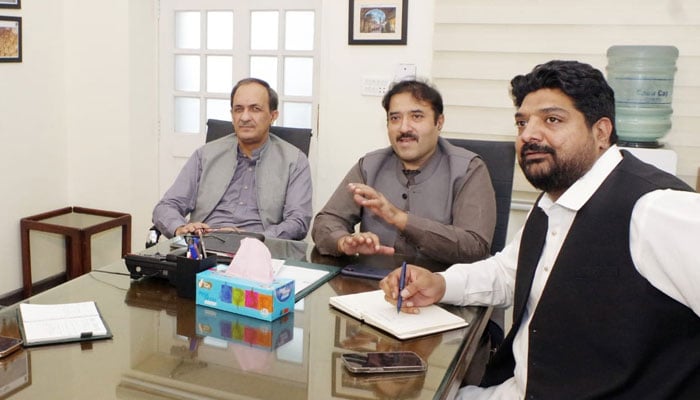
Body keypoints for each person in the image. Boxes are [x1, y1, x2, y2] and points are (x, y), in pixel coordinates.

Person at [379, 60, 700, 399]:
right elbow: (508, 275)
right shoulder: (553, 200)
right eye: (522, 122)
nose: (528, 134)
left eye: (552, 120)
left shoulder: (657, 208)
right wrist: (441, 284)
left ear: (601, 132)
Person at [311, 79, 497, 265]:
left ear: (439, 122)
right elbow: (326, 221)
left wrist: (399, 218)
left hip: (442, 287)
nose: (404, 128)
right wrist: (343, 242)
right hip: (372, 283)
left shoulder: (468, 169)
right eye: (395, 118)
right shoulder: (370, 165)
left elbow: (475, 246)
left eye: (416, 117)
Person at [152, 78, 312, 240]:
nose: (245, 117)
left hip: (260, 250)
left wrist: (259, 238)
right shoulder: (205, 155)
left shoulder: (295, 161)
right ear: (232, 114)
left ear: (273, 115)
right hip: (204, 247)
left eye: (255, 109)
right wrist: (180, 228)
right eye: (238, 109)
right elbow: (166, 206)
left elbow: (298, 221)